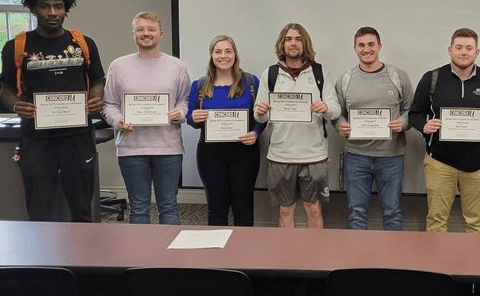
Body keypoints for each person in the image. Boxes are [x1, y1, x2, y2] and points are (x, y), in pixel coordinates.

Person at [0, 0, 105, 222]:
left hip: (77, 136)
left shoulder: (83, 44)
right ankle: (42, 257)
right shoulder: (16, 46)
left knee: (81, 207)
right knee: (39, 207)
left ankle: (84, 256)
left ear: (66, 9)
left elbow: (98, 79)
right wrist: (16, 105)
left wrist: (96, 98)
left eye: (58, 6)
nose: (52, 12)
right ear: (34, 9)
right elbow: (5, 90)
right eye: (45, 6)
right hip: (37, 138)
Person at [408, 28, 480, 233]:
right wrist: (424, 126)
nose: (464, 52)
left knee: (475, 222)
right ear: (450, 50)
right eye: (459, 47)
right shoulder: (432, 79)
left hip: (478, 163)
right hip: (439, 162)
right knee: (436, 221)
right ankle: (435, 265)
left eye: (469, 48)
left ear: (477, 52)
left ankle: (474, 266)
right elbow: (414, 114)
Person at [101, 12, 190, 225]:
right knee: (138, 207)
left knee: (169, 206)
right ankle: (140, 258)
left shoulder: (177, 66)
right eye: (140, 29)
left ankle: (169, 258)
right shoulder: (118, 66)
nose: (146, 33)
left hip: (168, 148)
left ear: (161, 33)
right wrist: (118, 120)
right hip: (132, 149)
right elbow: (108, 104)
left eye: (151, 29)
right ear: (133, 34)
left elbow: (185, 100)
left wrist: (180, 113)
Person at [254, 23, 340, 228]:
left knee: (314, 209)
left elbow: (335, 110)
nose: (293, 43)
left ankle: (316, 258)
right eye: (289, 39)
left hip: (314, 156)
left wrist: (325, 107)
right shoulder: (271, 74)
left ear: (305, 44)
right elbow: (259, 117)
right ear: (282, 44)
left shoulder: (319, 73)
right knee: (285, 210)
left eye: (298, 39)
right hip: (281, 155)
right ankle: (287, 259)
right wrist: (261, 111)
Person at [334, 27, 414, 231]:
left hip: (391, 157)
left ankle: (392, 261)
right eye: (361, 45)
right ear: (354, 48)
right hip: (355, 157)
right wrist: (340, 124)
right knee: (357, 213)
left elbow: (411, 110)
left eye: (371, 44)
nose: (366, 49)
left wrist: (403, 123)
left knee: (392, 212)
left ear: (379, 46)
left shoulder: (397, 76)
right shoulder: (345, 79)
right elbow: (337, 112)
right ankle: (358, 260)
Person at [187, 35, 261, 226]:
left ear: (235, 55)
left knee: (243, 208)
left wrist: (255, 132)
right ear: (211, 55)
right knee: (217, 208)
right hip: (211, 154)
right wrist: (193, 118)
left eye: (228, 51)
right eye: (218, 51)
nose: (223, 56)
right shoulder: (200, 84)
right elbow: (191, 118)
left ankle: (243, 254)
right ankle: (217, 254)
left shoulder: (251, 82)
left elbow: (262, 117)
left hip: (245, 153)